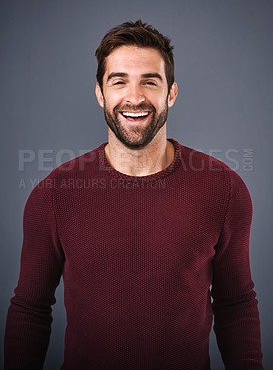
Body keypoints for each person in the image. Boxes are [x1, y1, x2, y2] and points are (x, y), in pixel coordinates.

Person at [4, 20, 263, 369]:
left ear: (171, 92)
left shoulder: (224, 190)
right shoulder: (53, 196)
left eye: (150, 82)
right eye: (119, 81)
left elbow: (236, 304)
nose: (135, 97)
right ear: (100, 93)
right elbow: (30, 311)